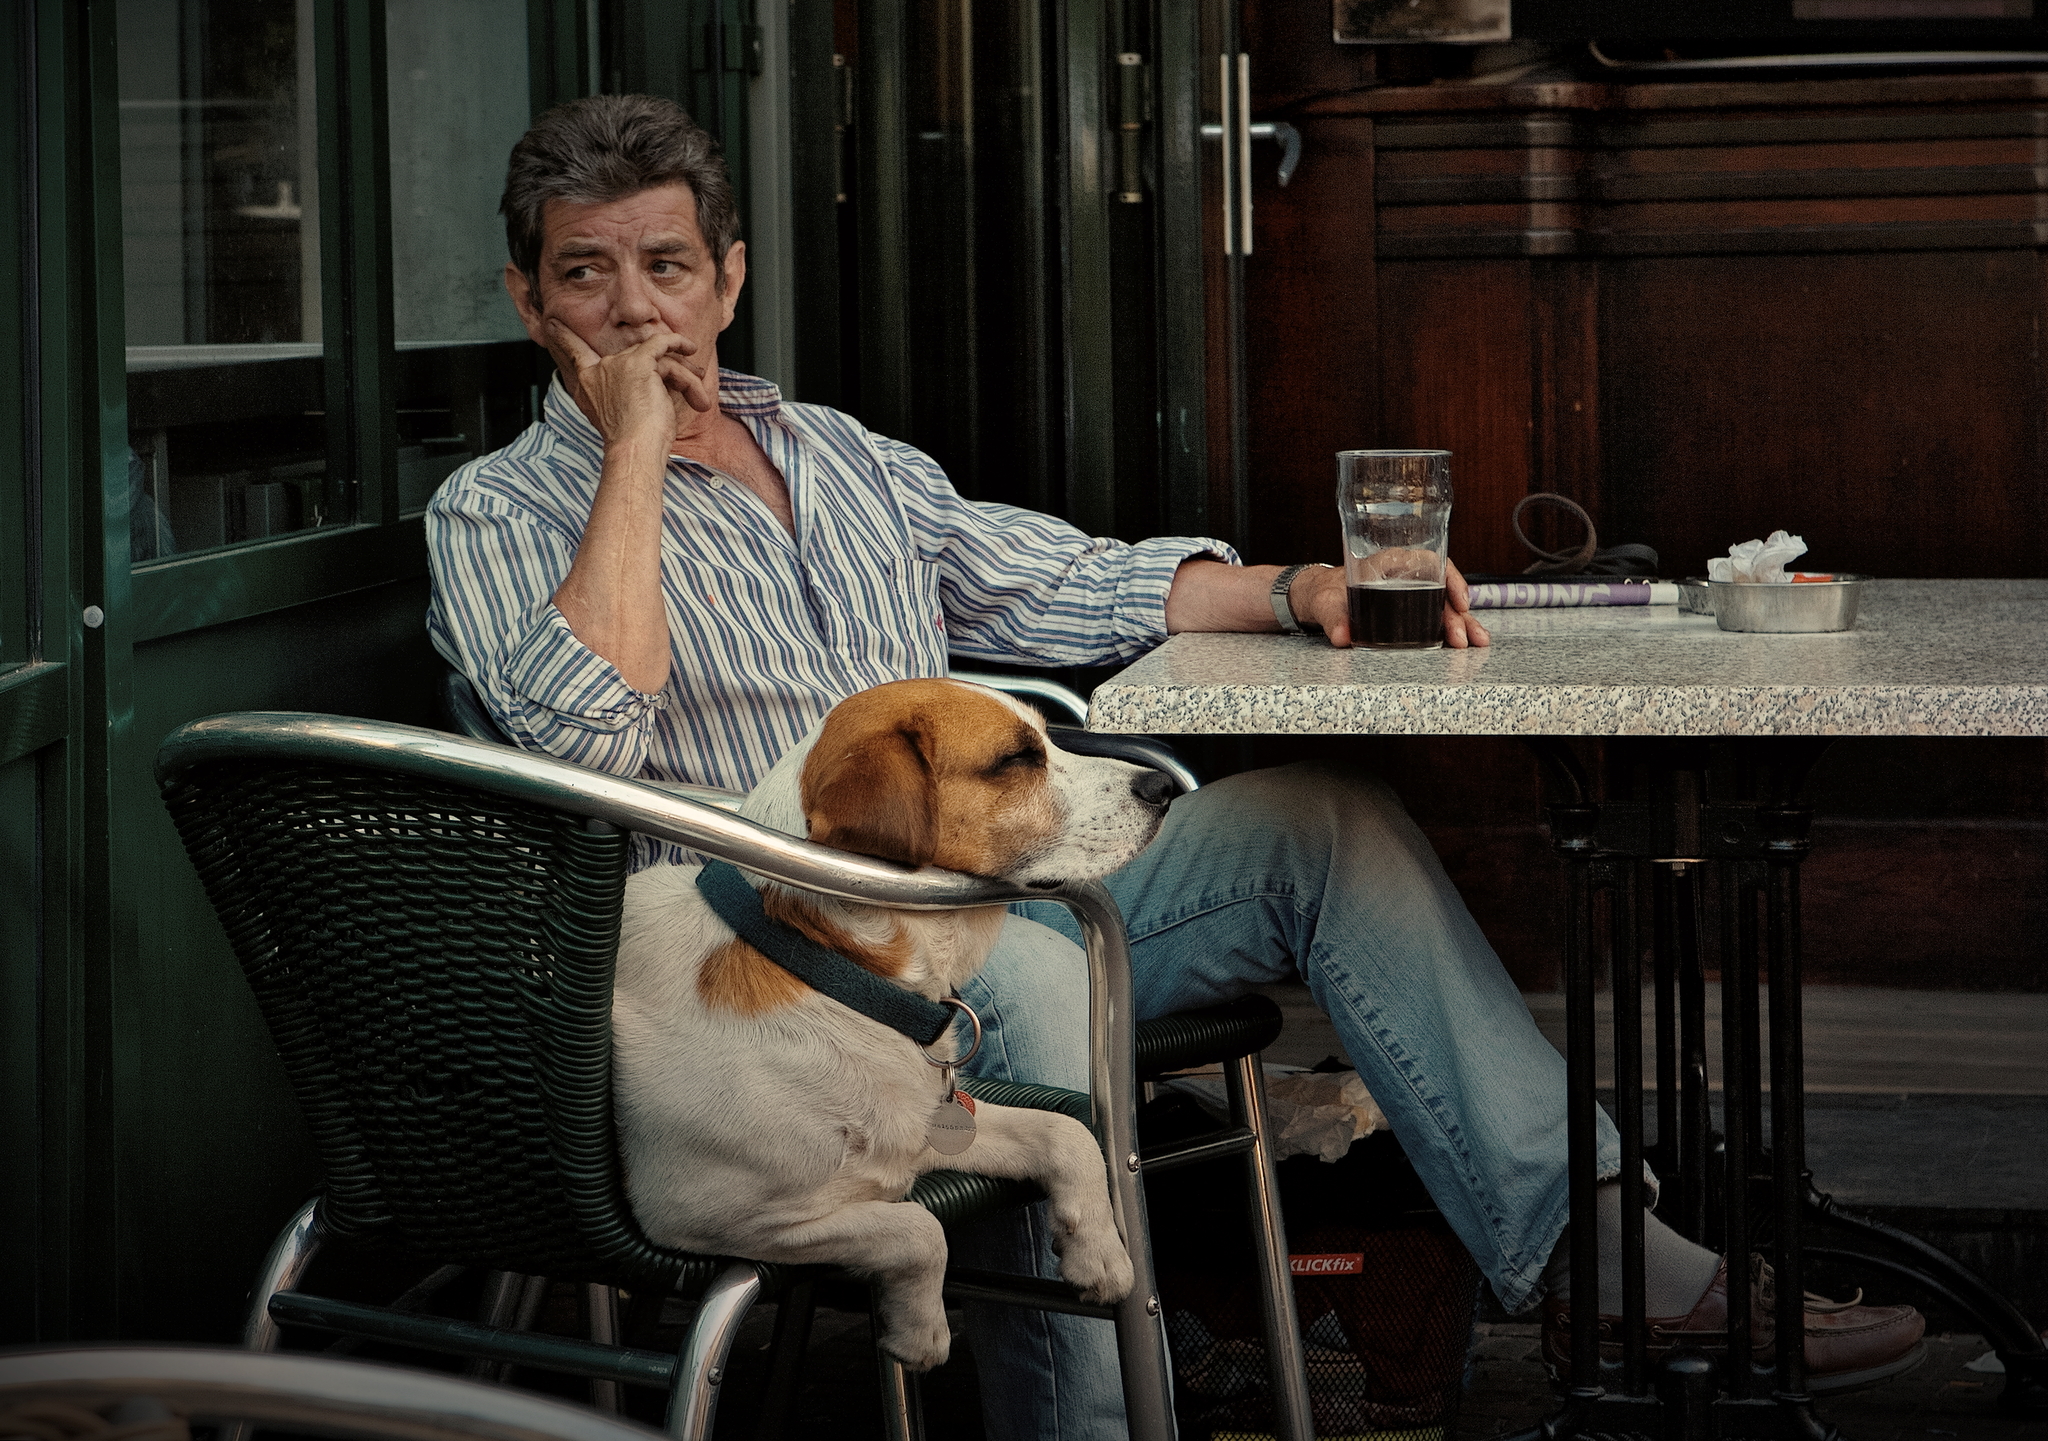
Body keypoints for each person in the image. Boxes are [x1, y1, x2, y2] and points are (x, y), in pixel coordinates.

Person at [426, 94, 1923, 1438]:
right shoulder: (496, 512)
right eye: (586, 274)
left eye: (667, 268)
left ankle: (1608, 1257)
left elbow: (1058, 580)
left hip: (1000, 886)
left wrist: (1292, 589)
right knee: (1033, 995)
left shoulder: (840, 455)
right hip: (790, 978)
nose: (634, 311)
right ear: (525, 296)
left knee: (1323, 824)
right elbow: (584, 732)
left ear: (729, 278)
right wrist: (627, 453)